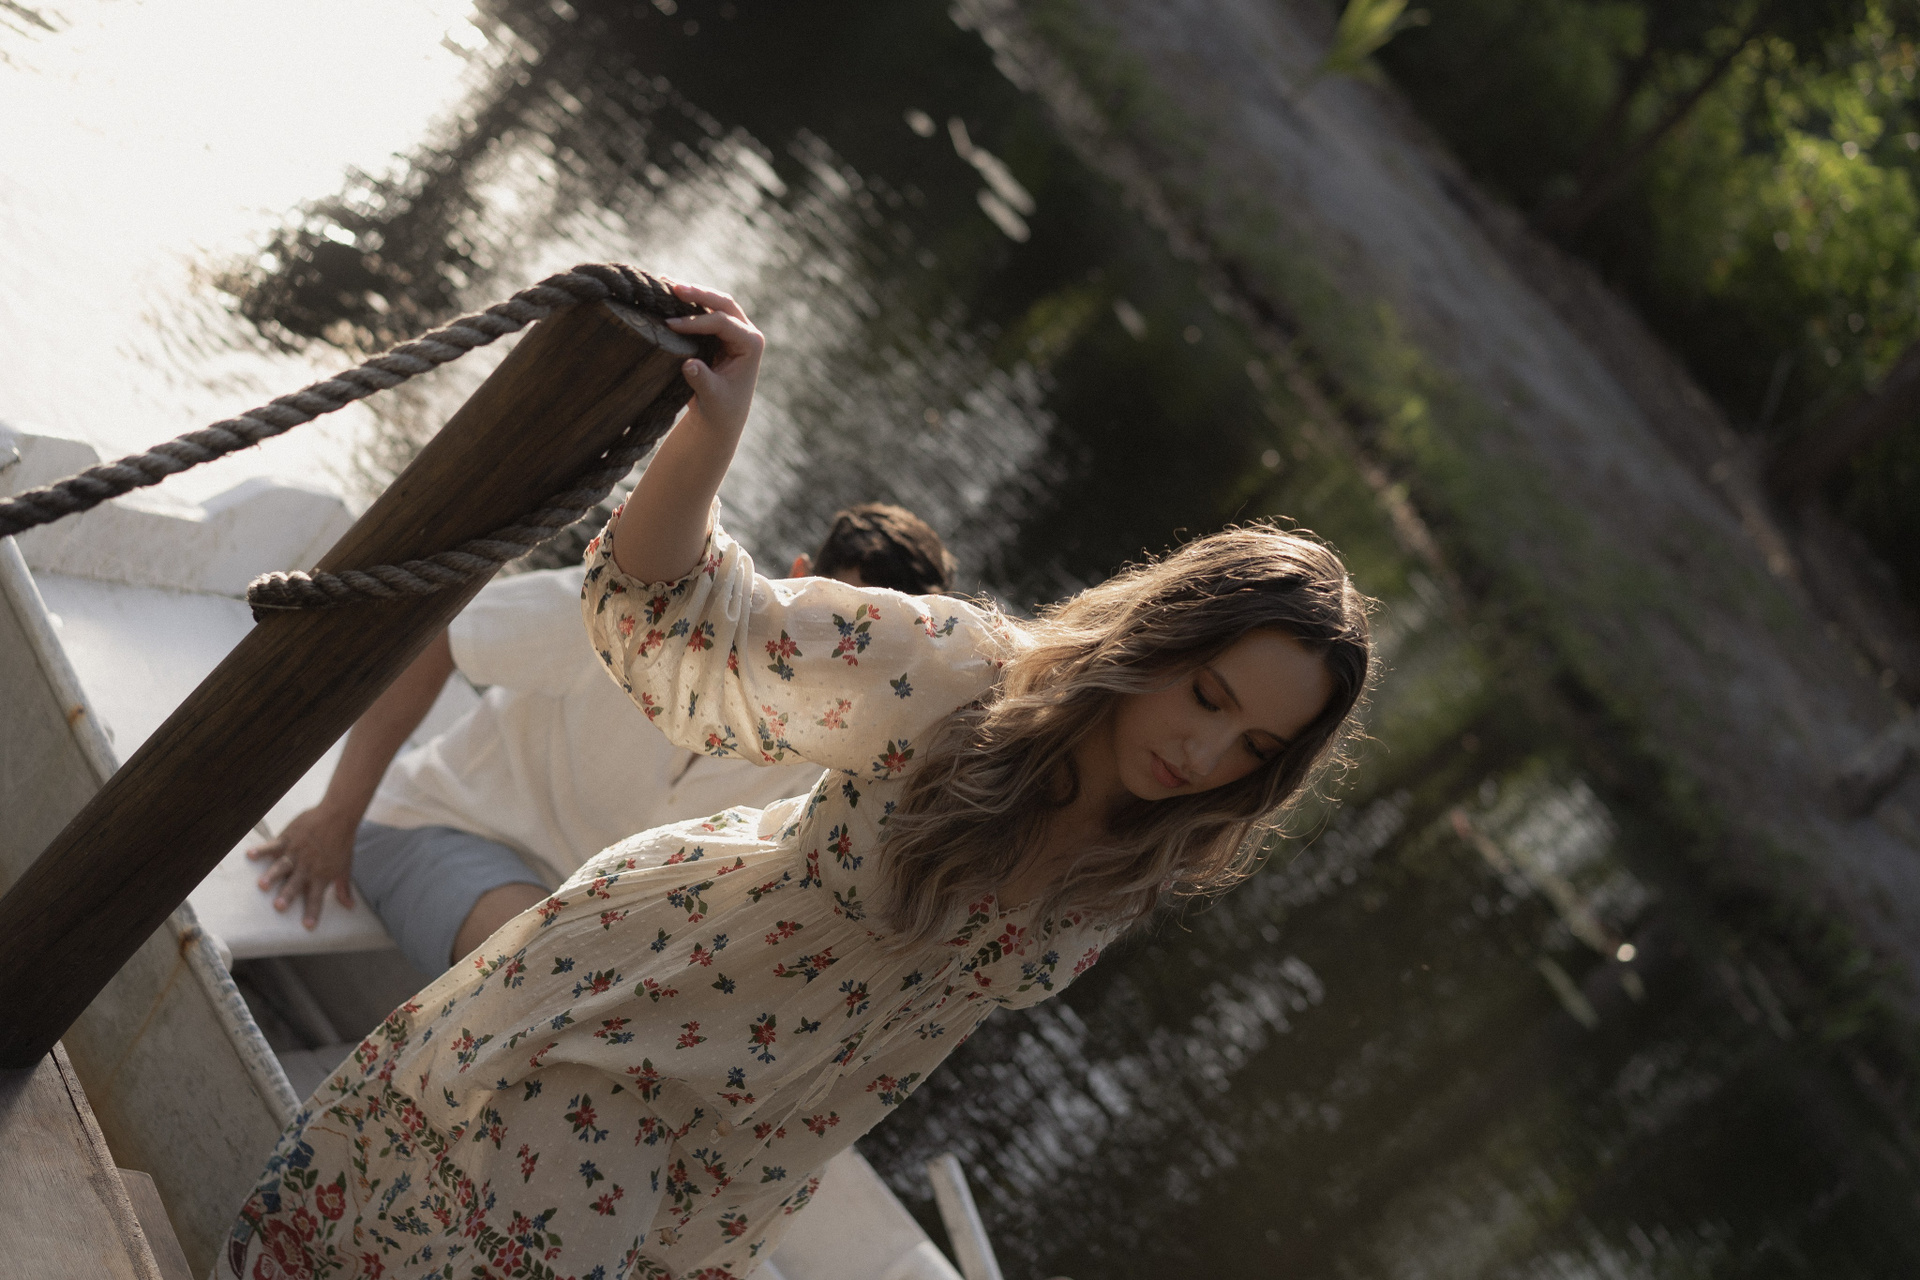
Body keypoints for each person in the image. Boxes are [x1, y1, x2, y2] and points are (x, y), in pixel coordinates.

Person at [225, 283, 1374, 1280]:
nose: (1206, 756)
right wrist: (714, 427)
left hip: (752, 1150)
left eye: (1254, 749)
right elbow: (686, 619)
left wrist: (747, 1195)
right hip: (633, 1015)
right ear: (1160, 637)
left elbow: (902, 1030)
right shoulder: (959, 678)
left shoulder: (1147, 847)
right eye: (1208, 696)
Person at [246, 502, 958, 977]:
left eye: (873, 652)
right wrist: (336, 814)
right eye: (839, 623)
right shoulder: (655, 605)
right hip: (443, 829)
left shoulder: (838, 765)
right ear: (800, 580)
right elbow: (440, 638)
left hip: (580, 918)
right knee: (551, 977)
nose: (840, 657)